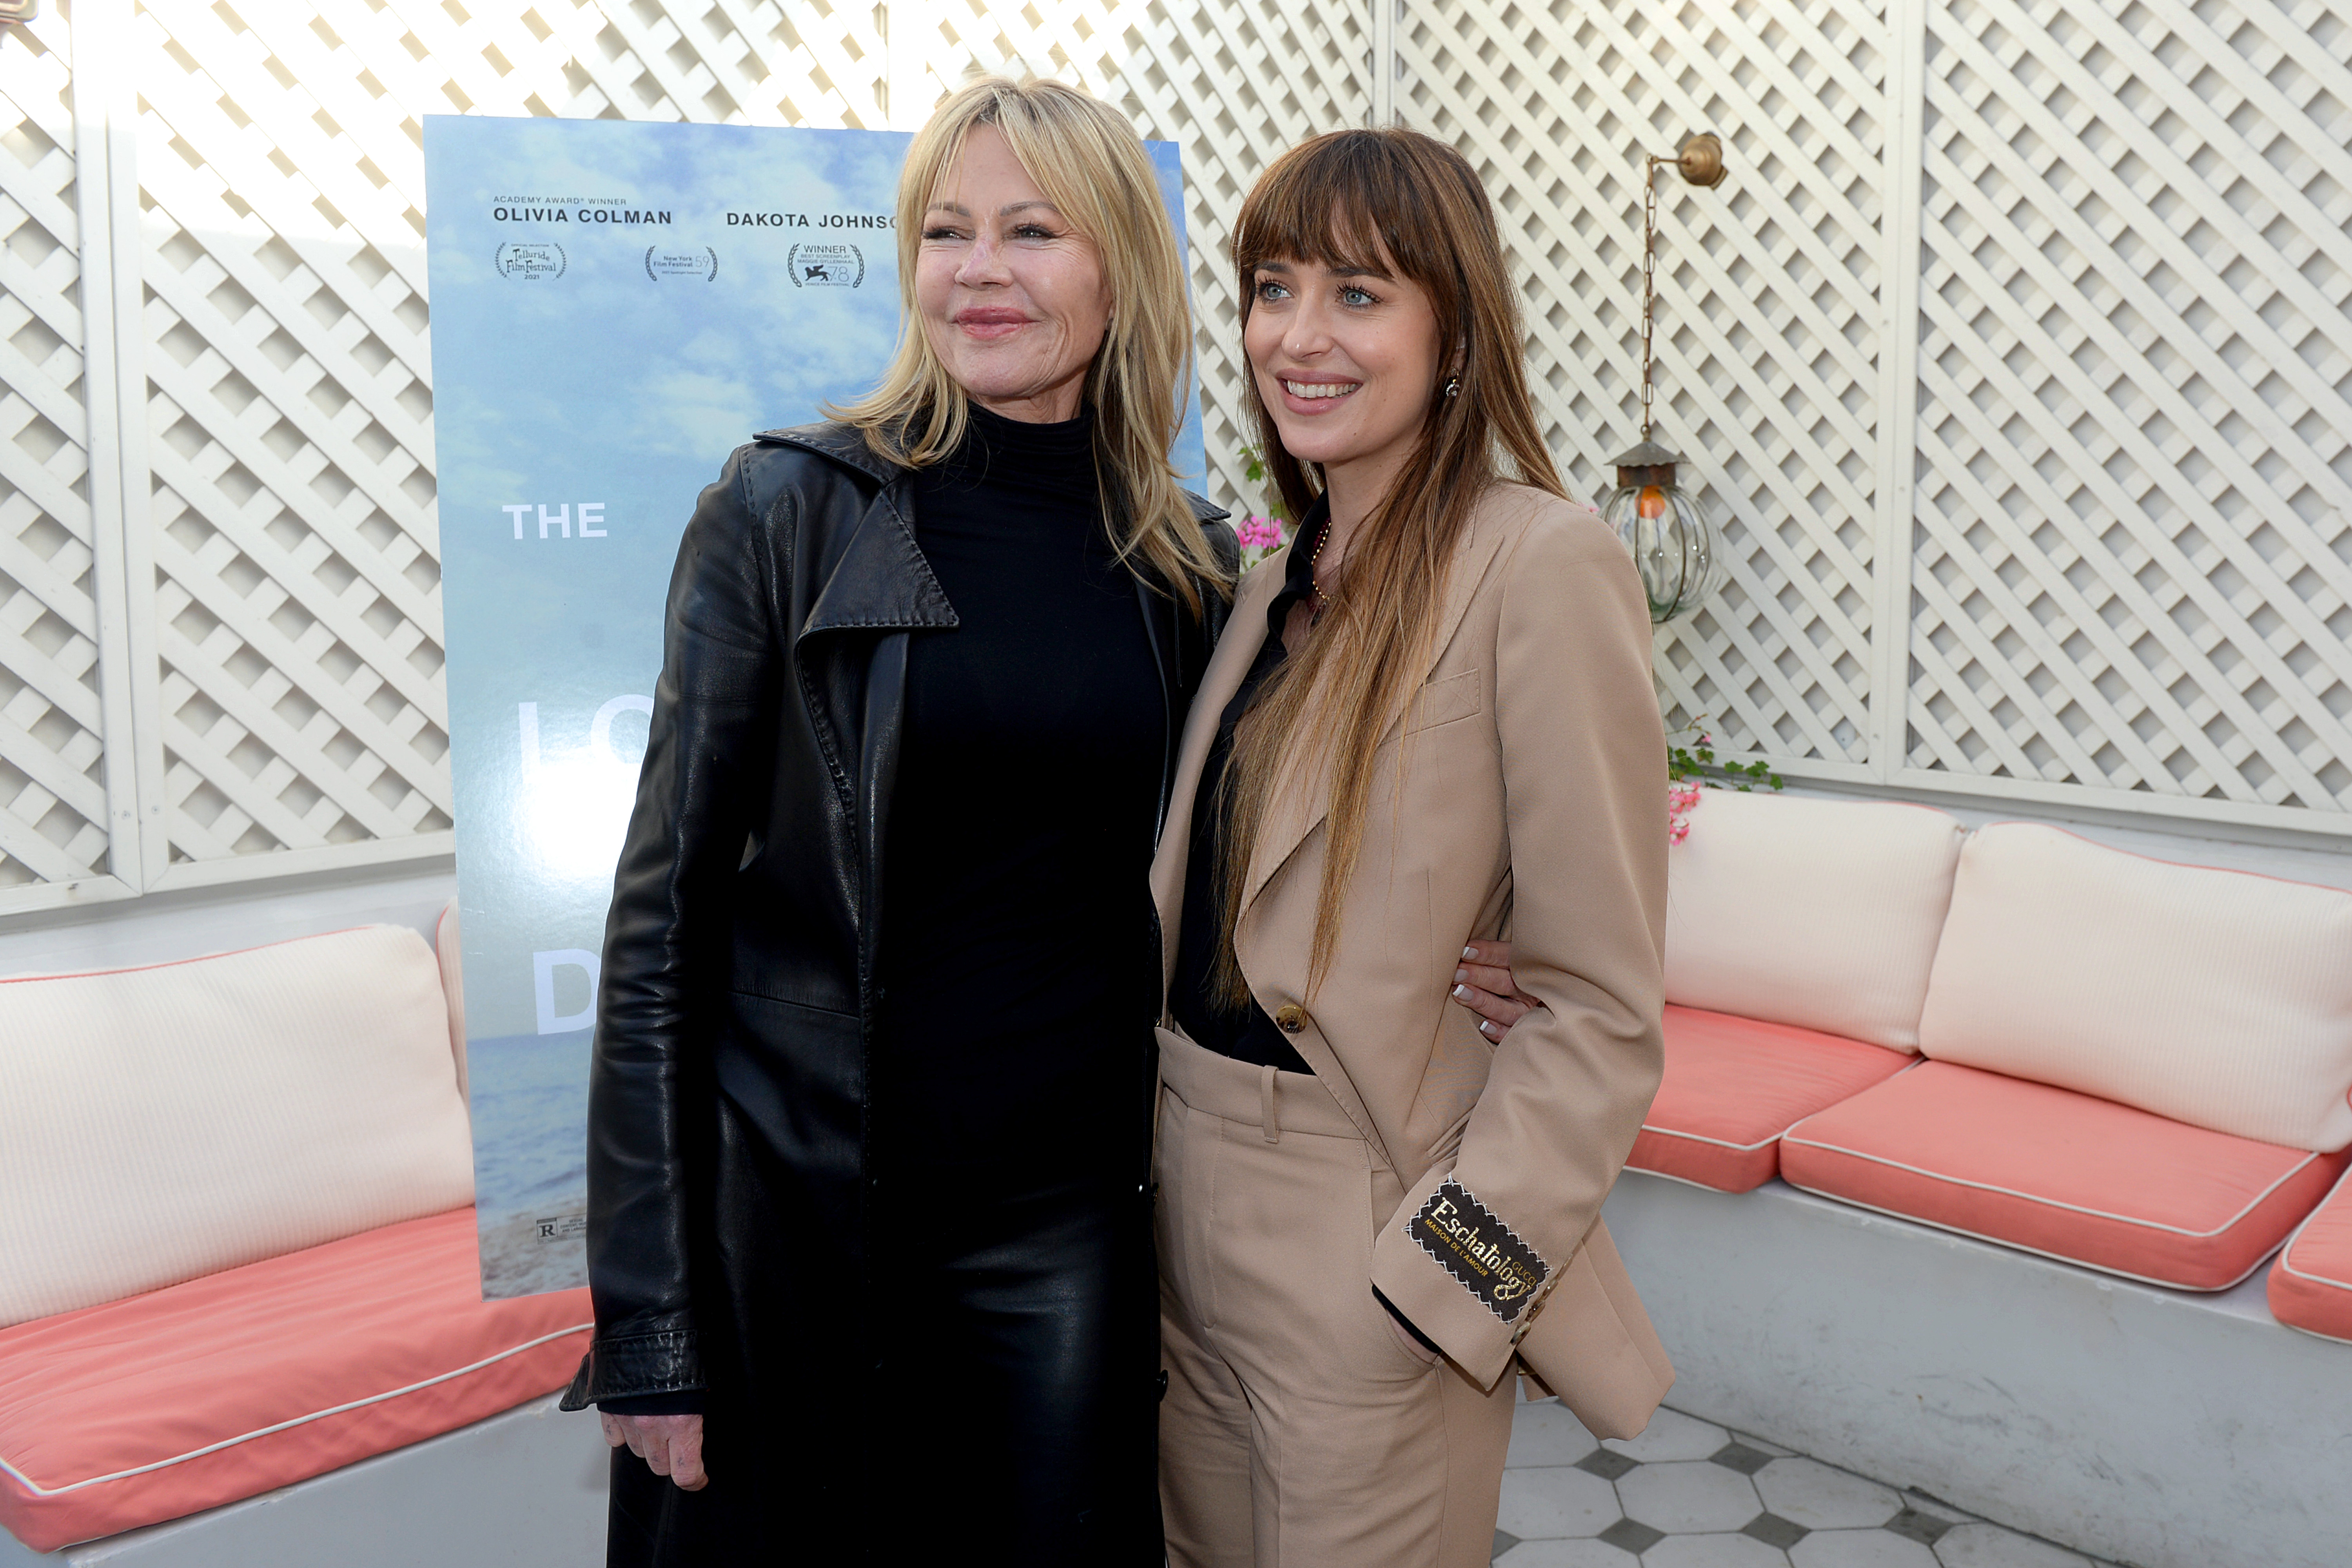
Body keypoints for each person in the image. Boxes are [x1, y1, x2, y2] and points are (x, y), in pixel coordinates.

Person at [556, 76, 1236, 1565]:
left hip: (1065, 1235)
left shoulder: (1186, 565)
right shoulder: (790, 512)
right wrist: (653, 1323)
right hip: (795, 1236)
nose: (977, 270)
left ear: (1121, 263)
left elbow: (1261, 866)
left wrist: (1482, 950)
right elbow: (658, 931)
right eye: (947, 230)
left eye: (1031, 230)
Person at [1151, 127, 1678, 1567]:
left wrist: (1447, 1284)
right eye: (1272, 288)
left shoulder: (1542, 561)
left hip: (1370, 1230)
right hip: (1182, 1211)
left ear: (1456, 330)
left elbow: (1600, 1006)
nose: (1299, 337)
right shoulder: (1263, 587)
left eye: (1361, 295)